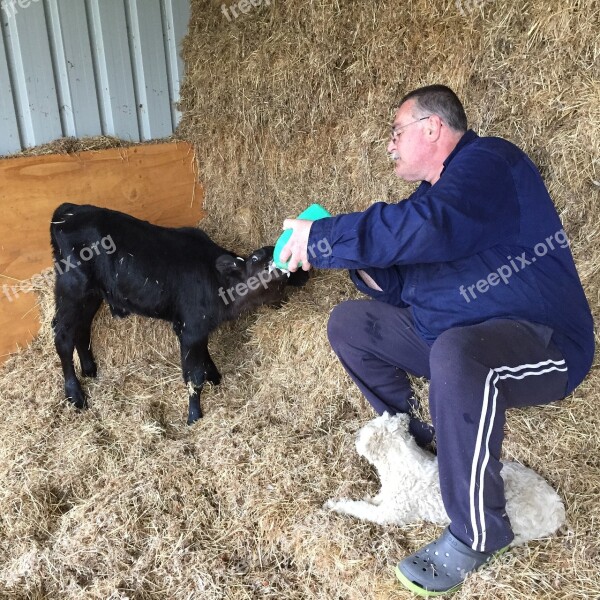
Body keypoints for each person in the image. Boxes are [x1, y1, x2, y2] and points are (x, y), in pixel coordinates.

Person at [278, 84, 594, 596]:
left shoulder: (490, 162)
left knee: (457, 351)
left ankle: (478, 533)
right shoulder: (428, 200)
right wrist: (356, 259)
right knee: (350, 324)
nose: (389, 145)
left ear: (433, 128)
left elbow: (430, 228)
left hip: (542, 341)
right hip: (455, 333)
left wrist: (326, 237)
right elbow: (402, 285)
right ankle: (417, 437)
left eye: (395, 132)